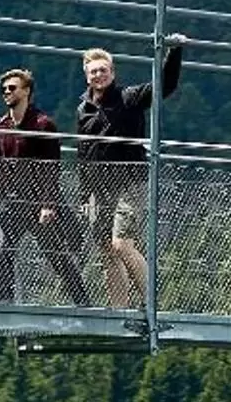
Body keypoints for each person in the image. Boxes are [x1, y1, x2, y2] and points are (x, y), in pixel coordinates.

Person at [74, 34, 187, 310]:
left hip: (129, 182)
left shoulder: (130, 98)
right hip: (98, 188)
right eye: (93, 71)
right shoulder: (83, 110)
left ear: (112, 73)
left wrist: (174, 52)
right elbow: (83, 154)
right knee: (105, 249)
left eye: (103, 70)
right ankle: (119, 308)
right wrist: (83, 194)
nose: (98, 75)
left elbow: (164, 86)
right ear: (87, 77)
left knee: (122, 243)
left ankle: (150, 303)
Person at [0, 67, 90, 308]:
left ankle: (83, 303)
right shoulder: (1, 127)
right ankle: (5, 305)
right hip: (13, 203)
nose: (6, 92)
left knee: (55, 255)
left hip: (38, 203)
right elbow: (2, 166)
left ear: (26, 91)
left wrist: (48, 205)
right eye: (4, 89)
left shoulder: (43, 125)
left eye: (12, 88)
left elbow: (50, 169)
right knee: (2, 253)